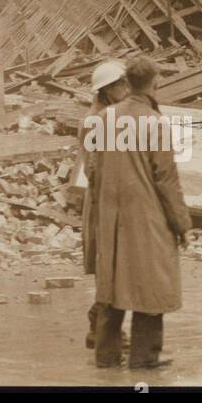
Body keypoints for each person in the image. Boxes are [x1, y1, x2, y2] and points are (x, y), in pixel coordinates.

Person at [90, 56, 192, 370]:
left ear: (127, 83)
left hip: (110, 213)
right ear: (154, 83)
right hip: (146, 214)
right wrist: (182, 223)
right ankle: (144, 356)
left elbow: (92, 169)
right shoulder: (155, 122)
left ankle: (106, 355)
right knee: (150, 281)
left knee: (112, 279)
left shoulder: (105, 118)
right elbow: (166, 178)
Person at [80, 59, 130, 350]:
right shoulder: (96, 121)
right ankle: (100, 327)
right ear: (107, 90)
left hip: (112, 201)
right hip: (103, 203)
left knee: (115, 268)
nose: (126, 89)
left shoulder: (110, 116)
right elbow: (92, 168)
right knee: (109, 267)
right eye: (121, 85)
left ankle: (100, 328)